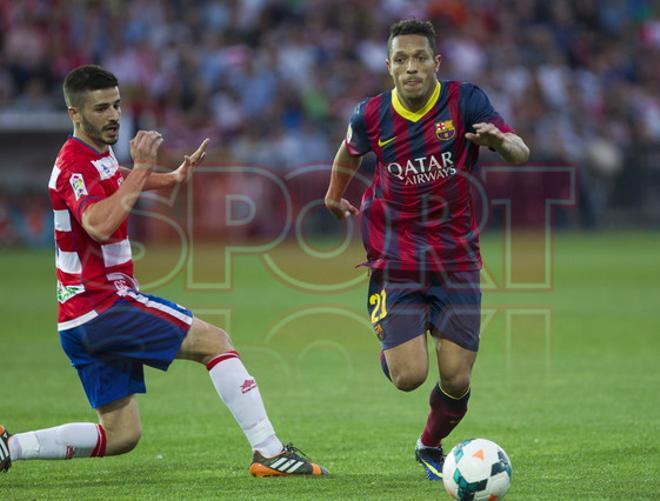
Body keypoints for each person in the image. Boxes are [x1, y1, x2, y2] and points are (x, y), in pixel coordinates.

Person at [0, 65, 327, 478]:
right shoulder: (73, 164)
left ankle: (8, 446)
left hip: (77, 318)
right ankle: (270, 452)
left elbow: (110, 179)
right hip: (103, 305)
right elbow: (98, 223)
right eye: (101, 108)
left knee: (120, 435)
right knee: (215, 341)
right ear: (75, 115)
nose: (114, 115)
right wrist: (141, 167)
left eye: (117, 104)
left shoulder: (93, 158)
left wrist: (166, 177)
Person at [324, 20, 529, 481]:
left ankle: (429, 444)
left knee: (456, 378)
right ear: (389, 66)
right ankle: (398, 340)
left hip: (455, 258)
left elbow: (521, 151)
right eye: (401, 59)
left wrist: (500, 142)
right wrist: (334, 194)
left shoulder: (465, 101)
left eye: (420, 58)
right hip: (396, 258)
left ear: (436, 63)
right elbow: (347, 153)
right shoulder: (370, 115)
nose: (411, 67)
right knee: (408, 376)